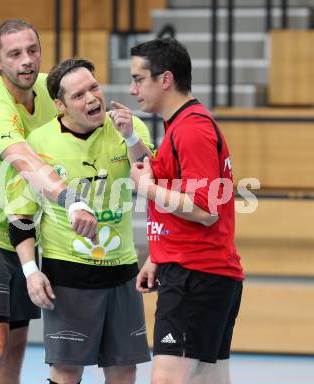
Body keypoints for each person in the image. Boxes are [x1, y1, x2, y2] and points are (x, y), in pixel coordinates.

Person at [0, 20, 97, 384]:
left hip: (23, 231)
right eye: (15, 54)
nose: (27, 60)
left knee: (15, 345)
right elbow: (25, 160)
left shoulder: (49, 91)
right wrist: (71, 199)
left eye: (33, 50)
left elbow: (92, 115)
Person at [7, 58, 153, 384]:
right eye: (78, 95)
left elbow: (153, 178)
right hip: (67, 274)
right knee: (67, 372)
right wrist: (31, 272)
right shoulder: (39, 144)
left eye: (94, 87)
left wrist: (130, 138)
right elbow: (20, 216)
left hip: (122, 270)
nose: (91, 99)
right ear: (59, 105)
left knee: (124, 371)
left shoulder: (130, 129)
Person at [128, 38, 244, 384]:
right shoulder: (181, 125)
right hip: (204, 272)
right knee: (208, 380)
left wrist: (146, 188)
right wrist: (157, 256)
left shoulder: (191, 129)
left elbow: (204, 209)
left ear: (165, 79)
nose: (133, 89)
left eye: (139, 79)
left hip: (195, 275)